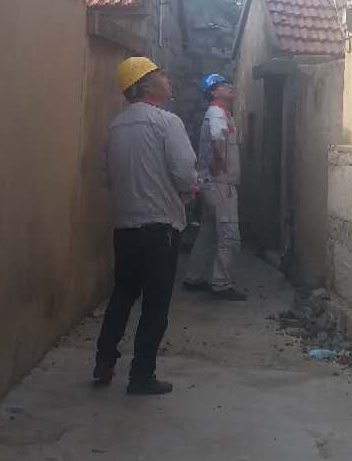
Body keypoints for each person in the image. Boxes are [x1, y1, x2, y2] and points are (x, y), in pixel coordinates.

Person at [94, 56, 199, 396]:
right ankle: (141, 375)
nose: (168, 80)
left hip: (125, 227)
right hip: (160, 228)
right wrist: (188, 191)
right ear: (145, 85)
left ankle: (103, 362)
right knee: (155, 304)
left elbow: (108, 177)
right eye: (160, 75)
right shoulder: (167, 122)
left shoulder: (115, 127)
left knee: (123, 294)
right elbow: (184, 172)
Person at [182, 73, 246, 301]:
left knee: (208, 232)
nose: (229, 87)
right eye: (222, 85)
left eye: (228, 83)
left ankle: (194, 277)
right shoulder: (217, 113)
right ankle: (221, 284)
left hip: (211, 183)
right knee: (229, 234)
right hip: (220, 184)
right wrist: (218, 164)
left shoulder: (220, 113)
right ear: (213, 92)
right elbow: (218, 139)